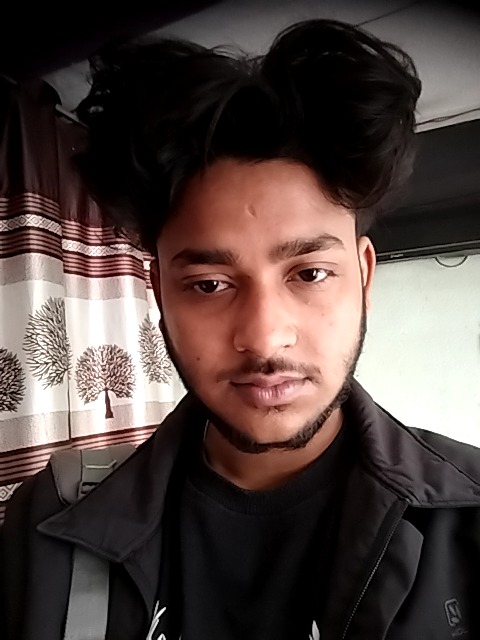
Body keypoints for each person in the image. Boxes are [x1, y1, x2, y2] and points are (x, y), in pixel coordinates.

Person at [2, 17, 480, 640]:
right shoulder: (51, 519)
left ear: (363, 278)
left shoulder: (468, 518)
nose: (264, 337)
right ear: (159, 292)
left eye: (309, 273)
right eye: (209, 284)